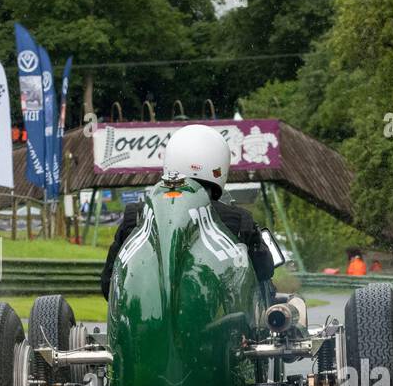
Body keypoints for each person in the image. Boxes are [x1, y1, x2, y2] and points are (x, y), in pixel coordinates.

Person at [99, 123, 274, 297]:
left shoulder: (137, 217)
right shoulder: (238, 220)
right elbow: (265, 272)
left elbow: (108, 284)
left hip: (143, 320)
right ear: (220, 166)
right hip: (219, 320)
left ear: (170, 163)